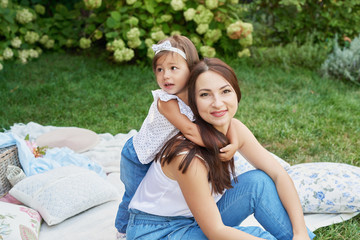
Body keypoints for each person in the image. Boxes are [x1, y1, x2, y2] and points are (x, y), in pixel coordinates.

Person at [126, 58, 316, 239]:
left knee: (259, 182)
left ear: (236, 93)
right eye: (205, 94)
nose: (217, 103)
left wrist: (300, 233)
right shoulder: (187, 156)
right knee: (257, 237)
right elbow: (215, 232)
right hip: (157, 232)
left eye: (225, 91)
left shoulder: (235, 130)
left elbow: (278, 175)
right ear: (193, 102)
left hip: (194, 218)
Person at [115, 36, 237, 238]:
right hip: (138, 154)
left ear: (191, 69)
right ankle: (123, 230)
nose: (165, 76)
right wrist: (217, 144)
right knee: (134, 195)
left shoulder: (199, 94)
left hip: (158, 154)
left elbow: (224, 120)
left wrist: (235, 142)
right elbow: (189, 130)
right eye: (159, 70)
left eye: (173, 68)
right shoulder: (166, 101)